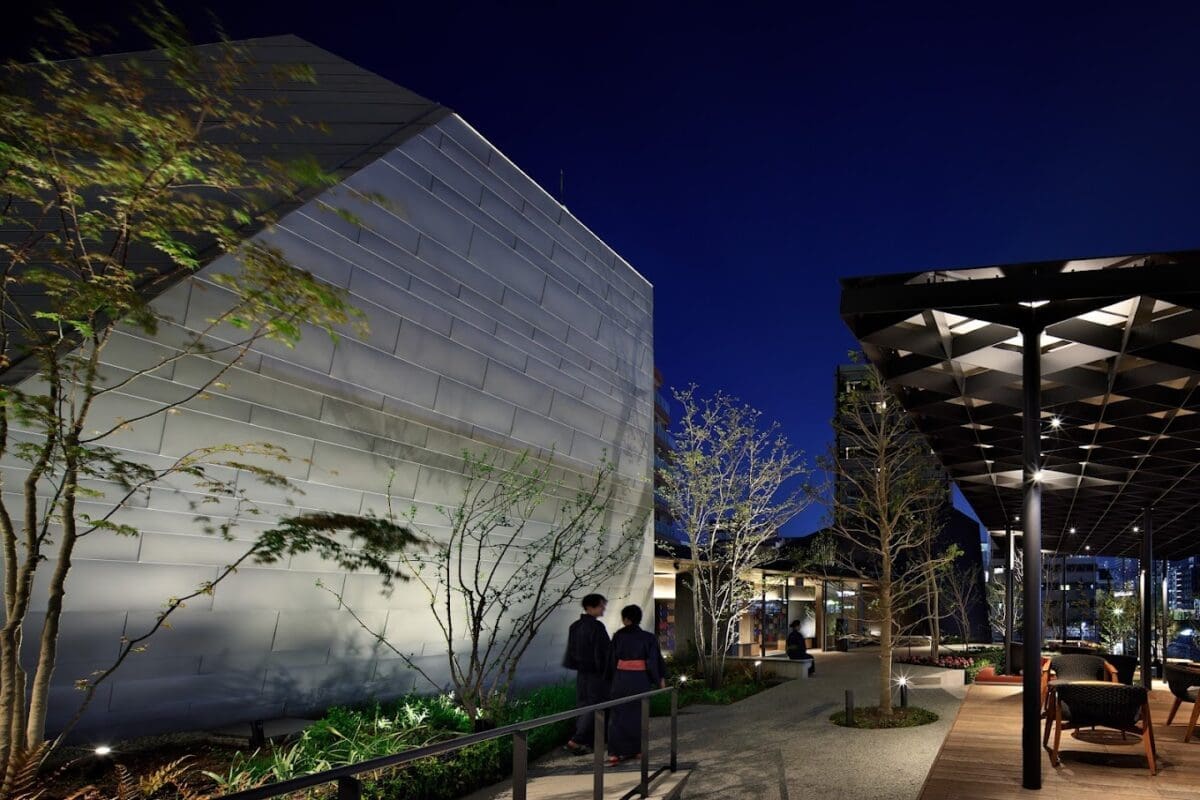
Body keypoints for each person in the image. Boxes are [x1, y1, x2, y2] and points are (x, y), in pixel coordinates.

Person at [605, 604, 667, 765]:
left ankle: (614, 752)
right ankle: (637, 749)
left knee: (617, 715)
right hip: (640, 679)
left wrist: (610, 679)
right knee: (639, 714)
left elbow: (611, 660)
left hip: (621, 679)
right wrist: (659, 678)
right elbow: (654, 660)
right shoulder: (648, 637)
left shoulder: (618, 636)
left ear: (626, 619)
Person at [563, 593, 610, 755]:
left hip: (581, 672)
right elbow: (604, 652)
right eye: (601, 605)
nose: (603, 609)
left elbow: (571, 652)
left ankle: (583, 739)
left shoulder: (575, 626)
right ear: (590, 607)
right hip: (596, 673)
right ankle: (578, 739)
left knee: (582, 704)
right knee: (595, 704)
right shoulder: (597, 627)